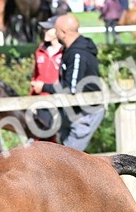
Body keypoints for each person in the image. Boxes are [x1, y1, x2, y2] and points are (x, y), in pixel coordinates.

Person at [53, 14, 106, 151]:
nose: (55, 33)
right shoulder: (71, 50)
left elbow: (71, 87)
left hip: (85, 112)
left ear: (63, 33)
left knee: (68, 157)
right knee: (63, 155)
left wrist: (45, 87)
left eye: (56, 30)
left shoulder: (77, 53)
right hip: (74, 110)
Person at [29, 16, 65, 142]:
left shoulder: (65, 52)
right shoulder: (40, 50)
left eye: (48, 29)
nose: (45, 32)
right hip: (41, 100)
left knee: (58, 138)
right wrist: (31, 100)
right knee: (42, 138)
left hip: (58, 100)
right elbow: (35, 76)